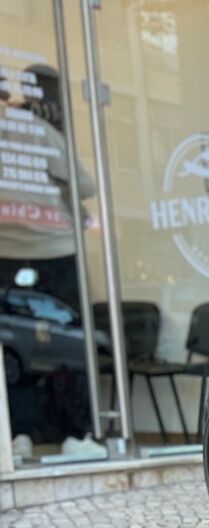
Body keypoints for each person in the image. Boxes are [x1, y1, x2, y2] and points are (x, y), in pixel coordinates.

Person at [0, 63, 97, 450]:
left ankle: (20, 433)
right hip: (54, 251)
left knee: (15, 349)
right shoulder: (34, 130)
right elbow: (84, 184)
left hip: (6, 254)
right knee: (66, 346)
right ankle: (75, 434)